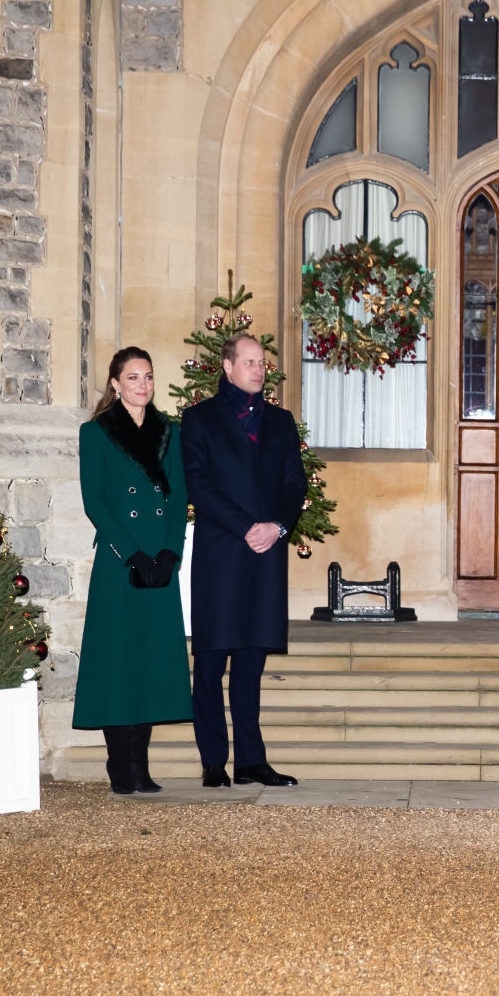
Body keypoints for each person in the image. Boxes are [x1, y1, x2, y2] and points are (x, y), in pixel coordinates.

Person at [180, 334, 305, 788]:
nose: (259, 369)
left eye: (263, 362)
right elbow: (198, 484)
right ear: (228, 367)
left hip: (266, 554)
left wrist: (277, 527)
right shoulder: (198, 420)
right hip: (221, 554)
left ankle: (252, 761)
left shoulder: (281, 421)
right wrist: (245, 527)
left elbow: (295, 485)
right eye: (250, 361)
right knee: (211, 663)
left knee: (251, 663)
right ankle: (214, 761)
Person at [75, 347, 194, 794]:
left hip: (159, 564)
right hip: (119, 561)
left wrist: (169, 553)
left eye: (147, 376)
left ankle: (141, 765)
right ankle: (118, 761)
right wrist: (132, 553)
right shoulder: (97, 432)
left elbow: (179, 494)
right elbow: (95, 501)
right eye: (133, 377)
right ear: (115, 384)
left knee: (149, 660)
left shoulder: (170, 431)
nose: (142, 384)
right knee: (116, 659)